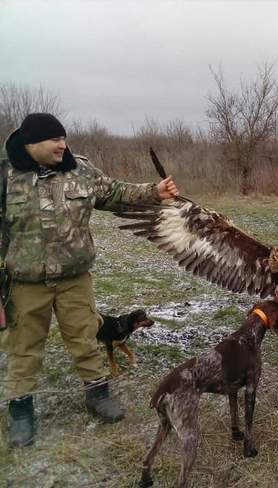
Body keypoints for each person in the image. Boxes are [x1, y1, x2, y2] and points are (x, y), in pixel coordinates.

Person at [0, 113, 179, 448]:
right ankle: (20, 409)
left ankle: (98, 394)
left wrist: (154, 191)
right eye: (54, 139)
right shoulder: (6, 175)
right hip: (26, 281)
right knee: (23, 346)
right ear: (30, 143)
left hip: (74, 278)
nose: (61, 144)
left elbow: (114, 192)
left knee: (86, 336)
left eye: (63, 138)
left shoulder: (79, 169)